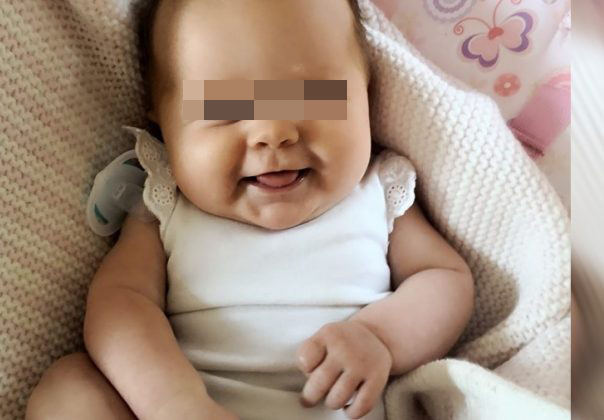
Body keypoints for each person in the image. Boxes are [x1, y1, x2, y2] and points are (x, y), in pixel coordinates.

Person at [25, 0, 474, 419]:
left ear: (367, 92)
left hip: (344, 408)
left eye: (312, 95)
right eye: (226, 107)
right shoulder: (166, 205)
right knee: (69, 389)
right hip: (198, 405)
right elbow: (121, 304)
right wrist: (173, 402)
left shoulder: (376, 191)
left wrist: (380, 337)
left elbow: (443, 278)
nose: (272, 131)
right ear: (162, 116)